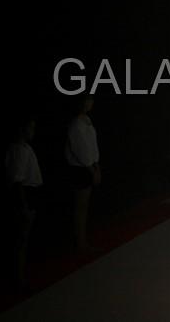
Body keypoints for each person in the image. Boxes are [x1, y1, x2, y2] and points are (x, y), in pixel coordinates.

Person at [5, 115, 42, 291]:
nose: (33, 131)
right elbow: (18, 180)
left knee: (21, 238)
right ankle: (19, 278)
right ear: (22, 129)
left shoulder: (17, 148)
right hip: (25, 195)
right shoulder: (20, 150)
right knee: (22, 239)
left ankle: (19, 275)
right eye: (30, 128)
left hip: (25, 194)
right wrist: (24, 205)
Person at [65, 94, 101, 253]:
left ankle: (83, 240)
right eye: (87, 100)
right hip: (80, 169)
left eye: (90, 100)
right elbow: (80, 150)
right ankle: (80, 242)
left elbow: (92, 146)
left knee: (84, 206)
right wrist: (92, 169)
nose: (89, 103)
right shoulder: (76, 125)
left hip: (90, 166)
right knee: (80, 206)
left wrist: (96, 165)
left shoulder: (87, 121)